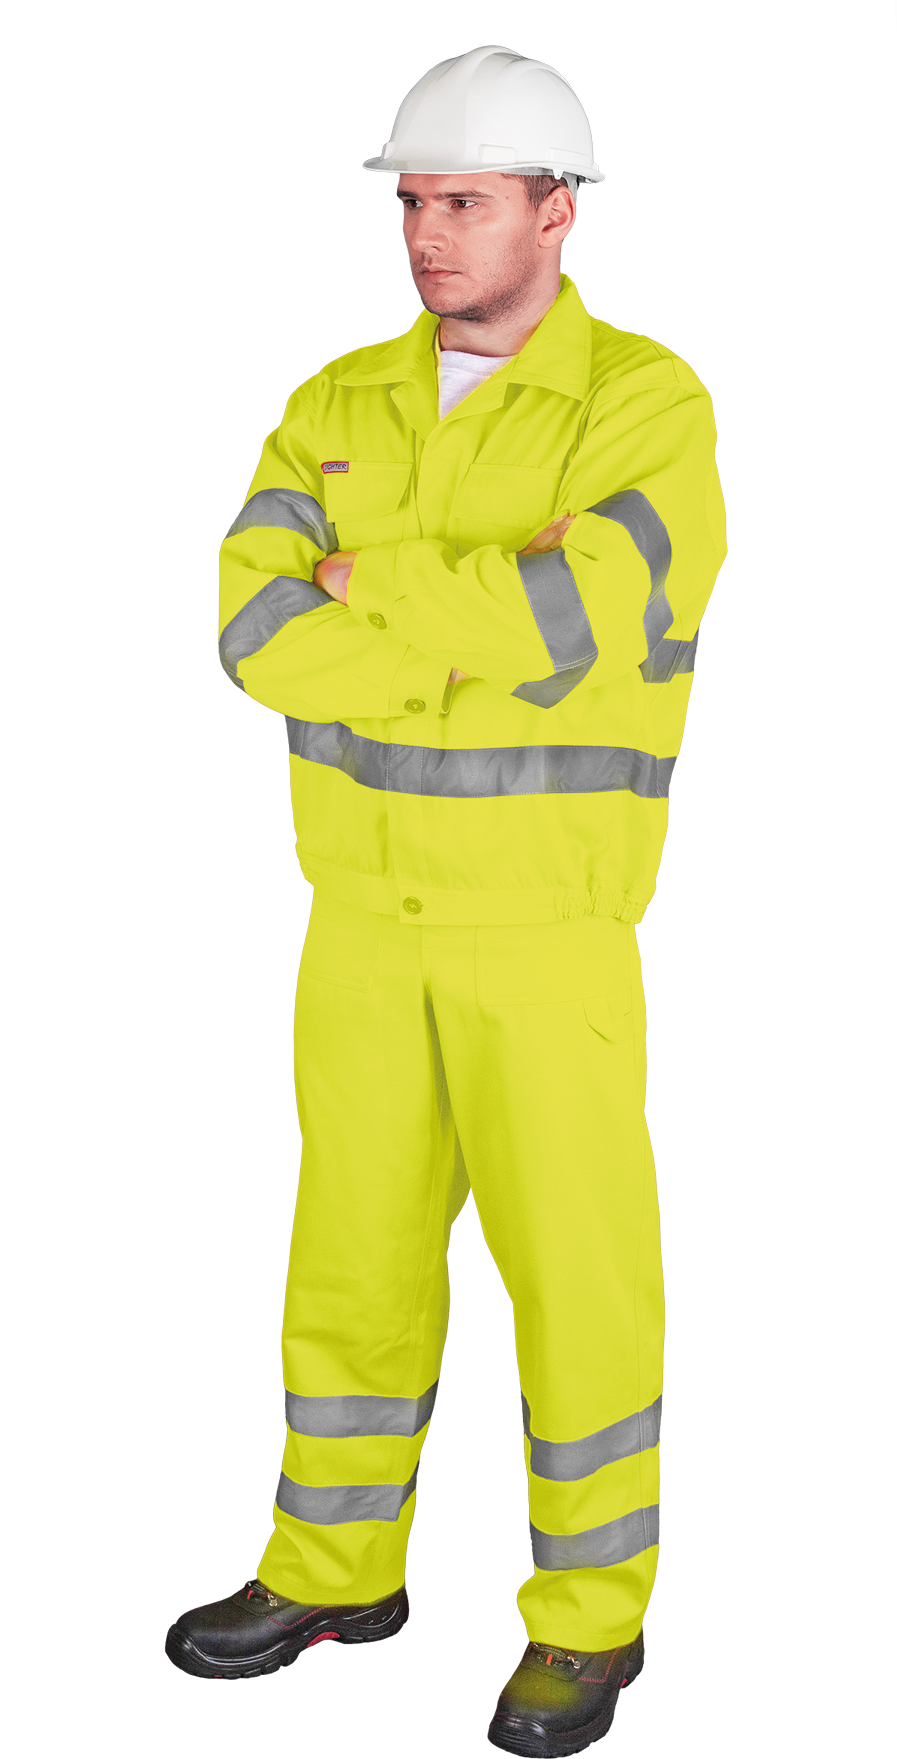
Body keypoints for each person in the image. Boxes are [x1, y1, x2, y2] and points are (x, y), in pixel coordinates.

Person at [169, 47, 726, 1756]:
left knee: (577, 1279)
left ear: (561, 210)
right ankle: (333, 1564)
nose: (427, 233)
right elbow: (248, 618)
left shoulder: (644, 405)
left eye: (466, 200)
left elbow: (590, 621)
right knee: (350, 1261)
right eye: (414, 200)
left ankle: (588, 1617)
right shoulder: (340, 401)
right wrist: (442, 620)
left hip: (543, 927)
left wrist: (370, 586)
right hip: (355, 915)